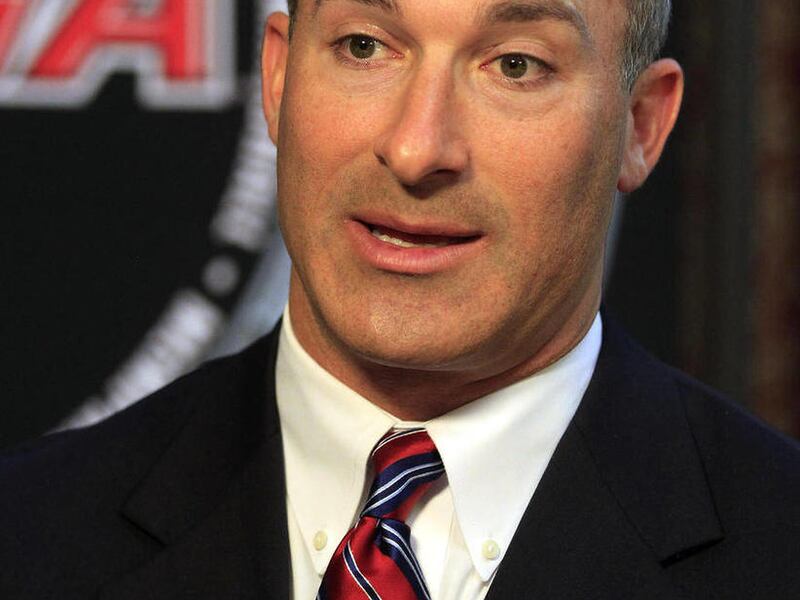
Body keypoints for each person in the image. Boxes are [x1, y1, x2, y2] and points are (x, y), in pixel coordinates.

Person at [2, 0, 799, 598]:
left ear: (641, 124)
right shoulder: (28, 536)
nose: (418, 149)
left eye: (516, 66)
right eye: (364, 46)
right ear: (277, 77)